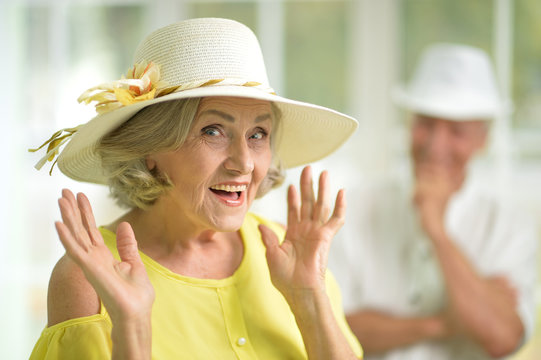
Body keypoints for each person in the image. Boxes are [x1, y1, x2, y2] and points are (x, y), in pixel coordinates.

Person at [29, 18, 363, 359]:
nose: (244, 163)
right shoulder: (89, 277)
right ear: (150, 150)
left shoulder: (291, 255)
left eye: (258, 134)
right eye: (213, 131)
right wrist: (131, 326)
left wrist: (309, 297)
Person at [329, 43, 538, 360]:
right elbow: (327, 325)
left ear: (483, 140)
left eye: (456, 131)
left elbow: (503, 337)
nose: (436, 144)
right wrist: (444, 323)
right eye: (425, 124)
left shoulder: (509, 226)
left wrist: (436, 230)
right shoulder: (354, 206)